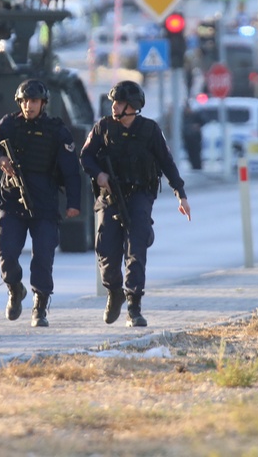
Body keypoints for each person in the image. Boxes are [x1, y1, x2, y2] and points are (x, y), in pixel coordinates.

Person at [80, 81, 192, 327]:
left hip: (140, 195)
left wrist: (180, 194)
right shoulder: (103, 128)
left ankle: (134, 305)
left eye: (119, 103)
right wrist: (99, 175)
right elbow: (86, 156)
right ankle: (114, 292)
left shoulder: (150, 130)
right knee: (107, 249)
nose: (114, 107)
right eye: (113, 102)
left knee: (136, 250)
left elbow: (167, 162)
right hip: (109, 197)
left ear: (132, 107)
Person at [0, 80, 83, 328]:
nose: (28, 106)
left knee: (44, 255)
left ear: (43, 103)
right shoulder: (8, 124)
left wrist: (73, 203)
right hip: (11, 200)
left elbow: (71, 171)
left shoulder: (56, 130)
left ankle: (40, 305)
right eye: (24, 101)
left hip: (44, 202)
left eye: (33, 101)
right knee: (6, 249)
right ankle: (15, 288)